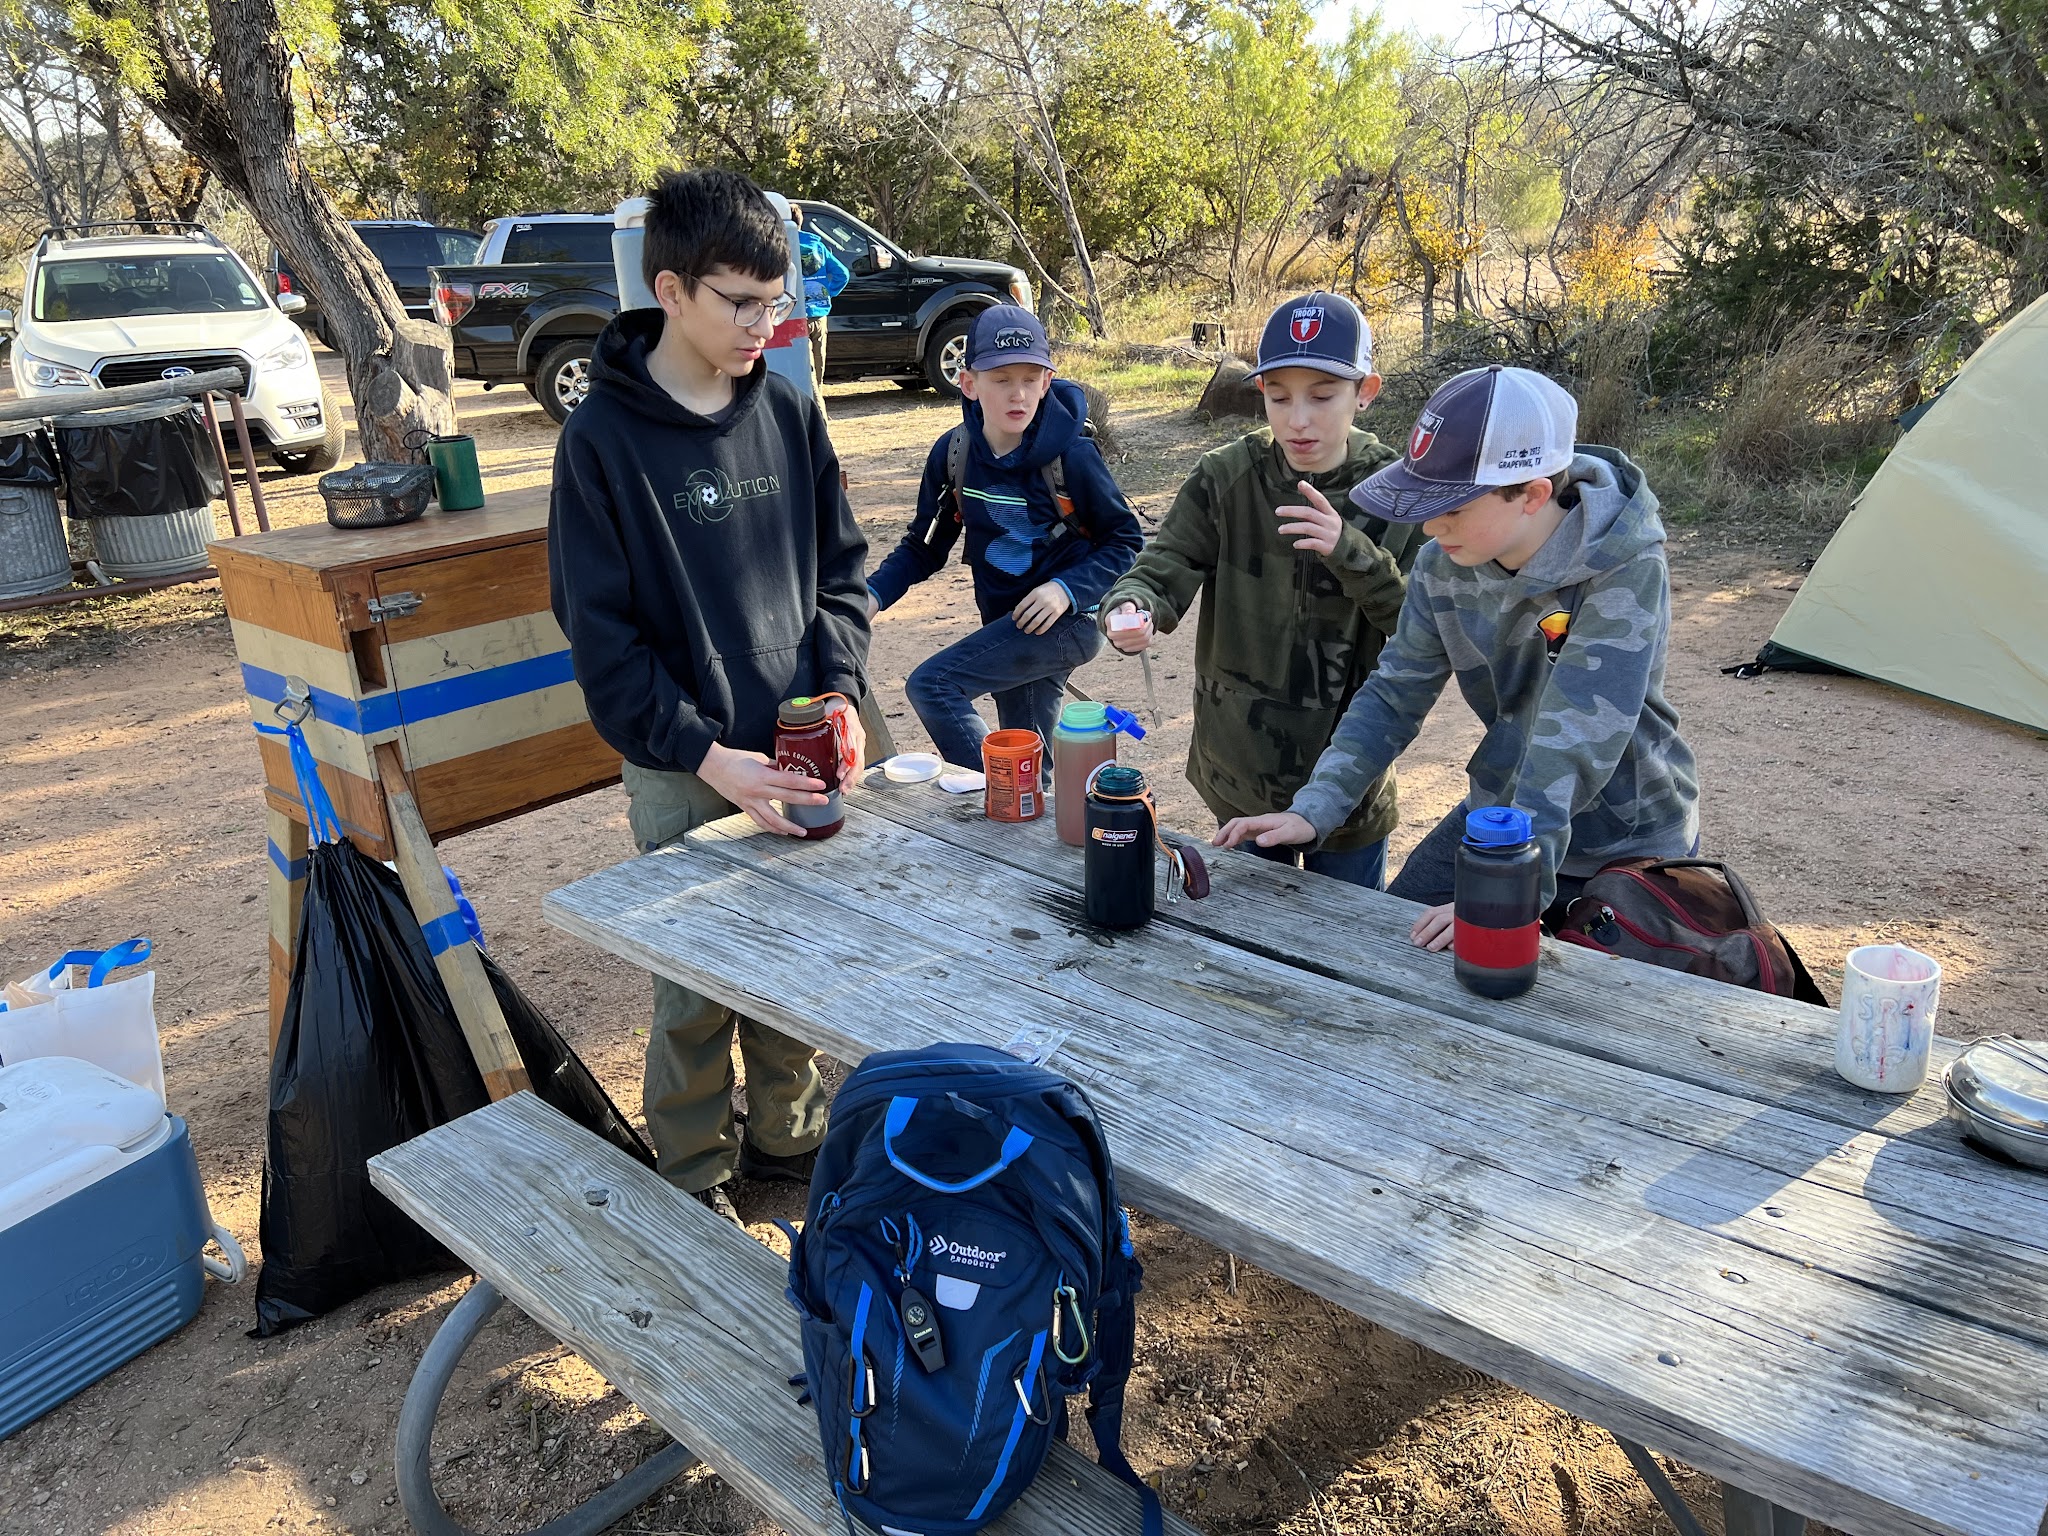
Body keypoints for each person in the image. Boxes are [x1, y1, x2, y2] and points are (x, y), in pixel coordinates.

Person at [548, 167, 880, 1225]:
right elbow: (601, 642)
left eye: (774, 300)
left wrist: (839, 693)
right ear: (671, 290)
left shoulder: (786, 409)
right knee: (693, 988)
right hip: (685, 767)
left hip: (793, 746)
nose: (762, 323)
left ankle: (791, 1139)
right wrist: (702, 754)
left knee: (793, 966)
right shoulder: (600, 442)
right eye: (739, 301)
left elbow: (840, 572)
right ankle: (692, 1173)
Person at [1215, 364, 1701, 948]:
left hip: (1628, 837)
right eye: (1424, 501)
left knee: (1571, 1012)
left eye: (1452, 507)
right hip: (1498, 814)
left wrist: (1512, 888)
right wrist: (1315, 808)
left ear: (1531, 493)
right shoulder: (1443, 563)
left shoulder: (1625, 567)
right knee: (1391, 947)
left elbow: (1574, 741)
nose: (1430, 523)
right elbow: (1395, 692)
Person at [1099, 291, 1418, 889]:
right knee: (1251, 940)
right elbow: (1163, 564)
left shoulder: (1397, 495)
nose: (1298, 419)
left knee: (1345, 944)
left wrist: (1348, 550)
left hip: (1350, 780)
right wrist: (1131, 606)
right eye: (1277, 397)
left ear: (1366, 392)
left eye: (1322, 397)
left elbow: (1422, 634)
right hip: (1239, 772)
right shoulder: (1226, 477)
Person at [867, 305, 1142, 772]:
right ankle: (1036, 817)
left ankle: (1003, 791)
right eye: (1000, 379)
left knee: (934, 686)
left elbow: (1125, 540)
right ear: (968, 382)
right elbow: (924, 546)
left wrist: (1065, 590)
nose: (1018, 394)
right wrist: (871, 596)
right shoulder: (954, 453)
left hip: (1068, 621)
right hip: (1005, 622)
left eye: (1030, 378)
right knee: (1031, 750)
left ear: (1047, 381)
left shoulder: (1073, 456)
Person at [791, 204, 849, 404]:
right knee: (818, 369)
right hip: (820, 314)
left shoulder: (786, 245)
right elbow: (843, 274)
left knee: (806, 373)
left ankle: (816, 414)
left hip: (798, 316)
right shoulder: (818, 246)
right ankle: (818, 406)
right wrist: (828, 293)